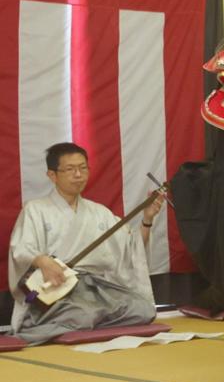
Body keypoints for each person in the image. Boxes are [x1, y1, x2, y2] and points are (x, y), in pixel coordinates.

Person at [4, 142, 164, 345]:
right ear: (52, 175)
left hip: (97, 289)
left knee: (143, 310)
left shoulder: (99, 212)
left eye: (83, 168)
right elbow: (21, 248)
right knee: (83, 314)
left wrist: (147, 219)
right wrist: (43, 261)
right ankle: (64, 323)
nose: (78, 175)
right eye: (70, 169)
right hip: (59, 288)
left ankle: (73, 325)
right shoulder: (35, 210)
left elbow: (130, 248)